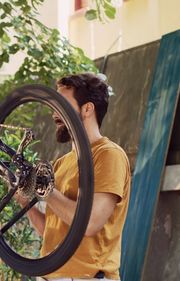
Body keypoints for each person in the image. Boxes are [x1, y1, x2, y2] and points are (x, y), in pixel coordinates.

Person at [18, 73, 131, 280]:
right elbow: (52, 232)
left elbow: (89, 224)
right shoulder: (61, 164)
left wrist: (46, 191)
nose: (54, 112)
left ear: (87, 109)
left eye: (62, 104)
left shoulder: (108, 155)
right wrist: (26, 203)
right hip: (50, 276)